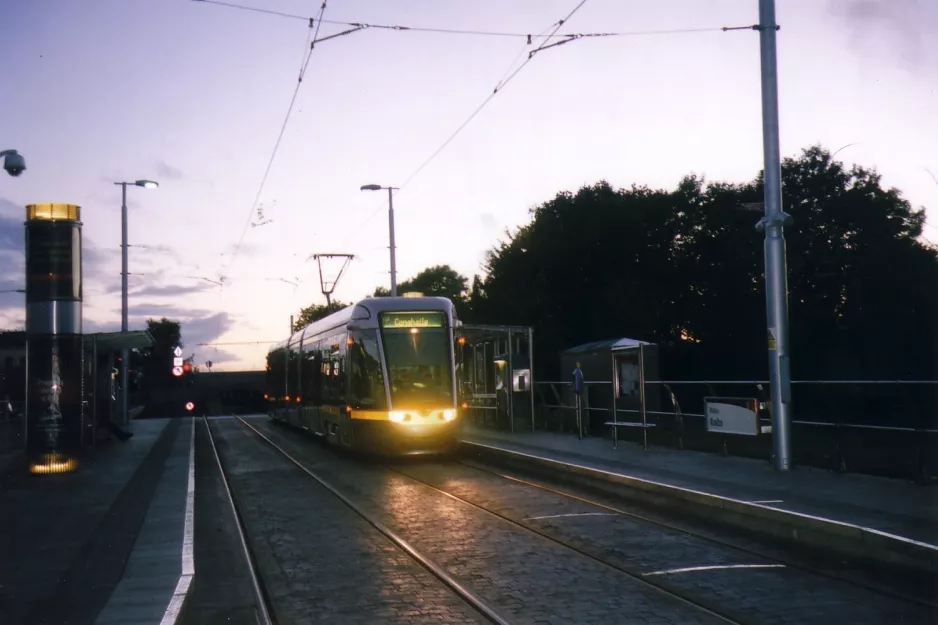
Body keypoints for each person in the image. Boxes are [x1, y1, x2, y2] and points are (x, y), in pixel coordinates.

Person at [572, 362, 585, 439]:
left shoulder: (576, 371)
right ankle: (580, 429)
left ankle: (579, 428)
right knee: (580, 409)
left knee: (578, 409)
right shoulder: (579, 372)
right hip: (579, 390)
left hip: (577, 390)